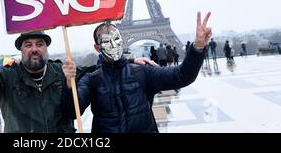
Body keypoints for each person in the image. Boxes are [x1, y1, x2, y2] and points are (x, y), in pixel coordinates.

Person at [0, 25, 155, 133]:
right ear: (21, 50)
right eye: (28, 44)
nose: (34, 49)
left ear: (46, 48)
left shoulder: (60, 72)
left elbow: (95, 70)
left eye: (40, 44)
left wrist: (129, 61)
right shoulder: (7, 76)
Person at [62, 11, 212, 133]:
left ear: (122, 40)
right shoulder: (91, 80)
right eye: (107, 41)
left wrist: (197, 49)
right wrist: (69, 84)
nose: (113, 45)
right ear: (97, 47)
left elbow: (181, 76)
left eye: (116, 39)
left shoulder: (142, 72)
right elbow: (72, 112)